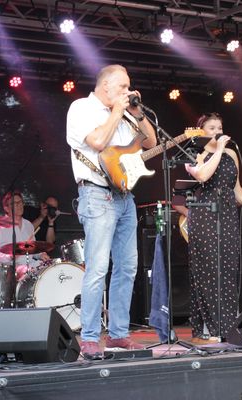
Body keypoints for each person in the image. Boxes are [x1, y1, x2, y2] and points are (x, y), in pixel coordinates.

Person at [66, 64, 156, 359]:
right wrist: (117, 111)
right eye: (123, 86)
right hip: (96, 194)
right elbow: (97, 142)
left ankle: (118, 334)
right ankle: (90, 337)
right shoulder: (81, 108)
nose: (128, 91)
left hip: (124, 196)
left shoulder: (126, 114)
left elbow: (151, 142)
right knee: (98, 268)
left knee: (127, 267)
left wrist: (137, 114)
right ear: (106, 86)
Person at [184, 112, 242, 344]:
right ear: (202, 131)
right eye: (212, 128)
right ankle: (206, 329)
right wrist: (217, 150)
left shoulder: (231, 154)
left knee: (227, 270)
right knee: (207, 271)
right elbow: (203, 176)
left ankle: (227, 327)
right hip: (204, 215)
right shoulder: (194, 153)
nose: (217, 131)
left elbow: (236, 188)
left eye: (220, 127)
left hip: (227, 216)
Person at [0, 191, 50, 306]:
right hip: (9, 271)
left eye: (20, 202)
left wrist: (40, 254)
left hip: (29, 267)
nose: (19, 205)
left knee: (48, 268)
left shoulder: (28, 225)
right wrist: (7, 257)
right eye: (15, 203)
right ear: (6, 208)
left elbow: (31, 248)